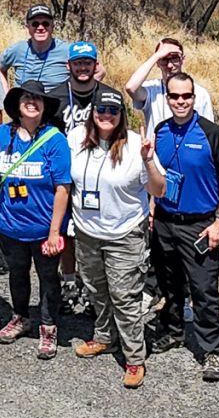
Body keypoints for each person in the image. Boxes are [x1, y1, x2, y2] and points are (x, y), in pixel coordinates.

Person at [147, 70, 219, 383]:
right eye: (174, 96)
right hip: (165, 221)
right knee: (169, 284)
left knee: (203, 289)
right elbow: (155, 175)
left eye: (186, 96)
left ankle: (212, 349)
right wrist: (152, 209)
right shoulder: (160, 130)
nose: (181, 101)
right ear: (167, 98)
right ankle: (173, 331)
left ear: (194, 97)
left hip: (200, 225)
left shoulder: (211, 133)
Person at [70, 93, 166, 388]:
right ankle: (104, 337)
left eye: (113, 110)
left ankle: (135, 357)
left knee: (125, 297)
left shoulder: (137, 145)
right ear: (92, 112)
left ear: (122, 114)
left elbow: (159, 189)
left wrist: (148, 161)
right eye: (101, 109)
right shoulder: (75, 139)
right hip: (87, 232)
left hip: (124, 233)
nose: (106, 115)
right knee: (96, 290)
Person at [0, 79, 72, 359]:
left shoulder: (55, 139)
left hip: (44, 227)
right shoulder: (2, 134)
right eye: (26, 98)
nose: (32, 102)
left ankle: (49, 326)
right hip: (10, 225)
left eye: (37, 98)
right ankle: (20, 317)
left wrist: (55, 232)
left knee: (47, 277)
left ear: (44, 107)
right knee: (17, 273)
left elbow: (63, 188)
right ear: (17, 105)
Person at [55, 40, 125, 307]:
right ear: (68, 66)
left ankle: (92, 287)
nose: (82, 68)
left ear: (96, 65)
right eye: (77, 63)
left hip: (98, 173)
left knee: (92, 232)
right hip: (66, 172)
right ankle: (68, 282)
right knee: (66, 231)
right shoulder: (56, 96)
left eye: (87, 63)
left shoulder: (109, 96)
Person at [126, 36, 216, 132]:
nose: (169, 65)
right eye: (164, 59)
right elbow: (131, 87)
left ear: (182, 60)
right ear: (157, 63)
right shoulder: (152, 90)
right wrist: (157, 56)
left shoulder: (201, 93)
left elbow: (209, 131)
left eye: (174, 58)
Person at [0, 5, 69, 90]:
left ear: (52, 26)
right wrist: (5, 93)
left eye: (45, 23)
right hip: (23, 98)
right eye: (35, 24)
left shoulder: (67, 50)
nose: (40, 28)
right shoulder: (18, 49)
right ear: (28, 27)